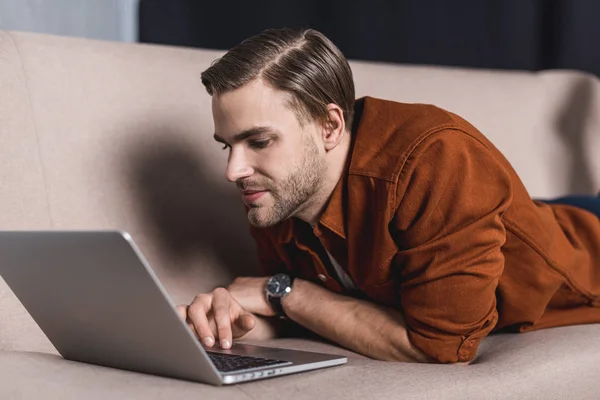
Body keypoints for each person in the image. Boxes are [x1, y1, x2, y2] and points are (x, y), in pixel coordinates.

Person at [176, 28, 600, 364]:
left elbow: (442, 348)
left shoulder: (436, 158)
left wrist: (284, 292)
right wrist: (224, 325)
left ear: (330, 126)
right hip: (520, 213)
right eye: (226, 145)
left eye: (260, 141)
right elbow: (308, 316)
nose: (233, 170)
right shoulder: (278, 191)